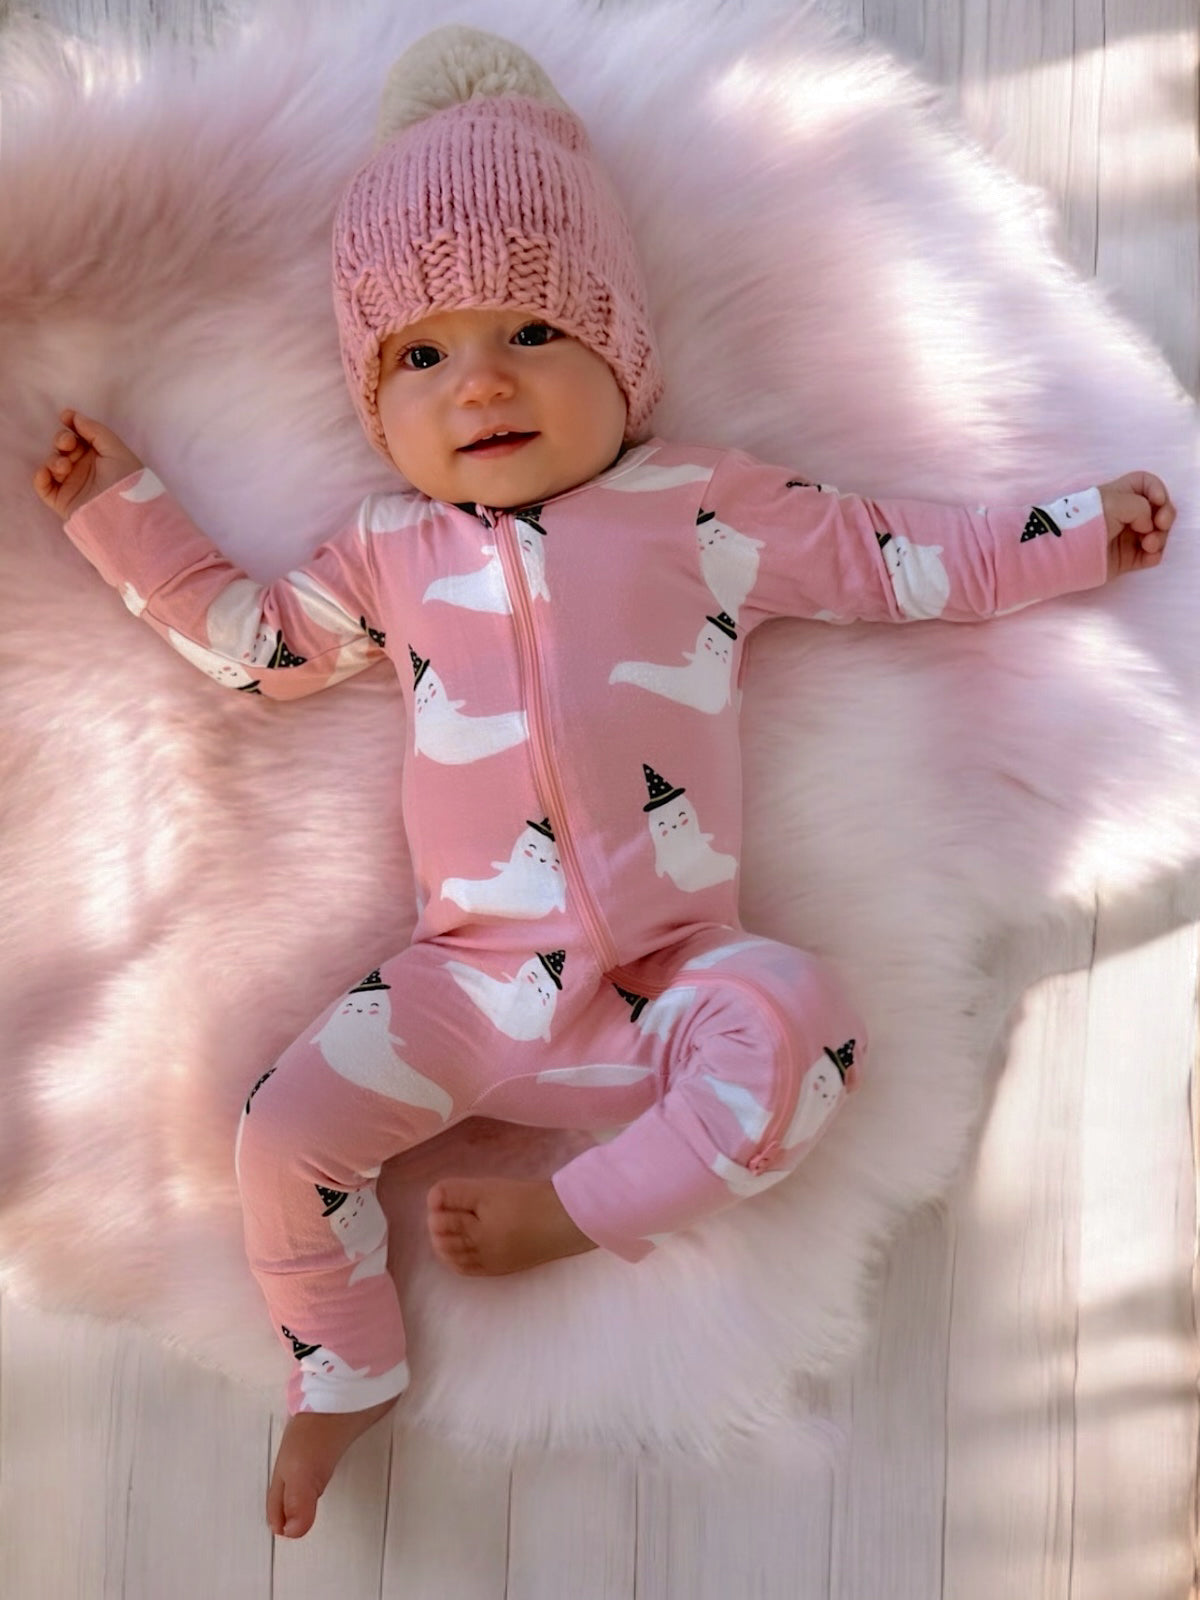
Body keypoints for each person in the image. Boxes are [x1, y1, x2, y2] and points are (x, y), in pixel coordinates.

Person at [33, 24, 1173, 1541]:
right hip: (459, 988)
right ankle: (342, 1368)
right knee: (278, 1137)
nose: (482, 381)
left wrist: (1080, 531)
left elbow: (908, 561)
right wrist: (127, 516)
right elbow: (255, 649)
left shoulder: (702, 509)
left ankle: (575, 1213)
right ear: (376, 410)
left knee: (812, 1031)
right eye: (422, 356)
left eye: (535, 334)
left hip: (670, 984)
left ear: (622, 353)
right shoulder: (390, 552)